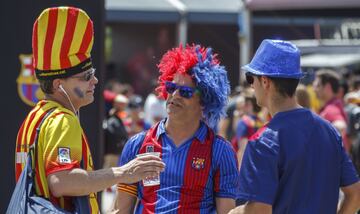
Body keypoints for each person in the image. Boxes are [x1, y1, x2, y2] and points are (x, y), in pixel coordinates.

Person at [14, 7, 165, 213]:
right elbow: (61, 182)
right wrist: (124, 172)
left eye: (92, 73)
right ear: (59, 84)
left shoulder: (35, 117)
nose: (94, 80)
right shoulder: (62, 120)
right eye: (85, 76)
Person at [229, 39, 360, 214]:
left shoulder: (263, 141)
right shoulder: (328, 131)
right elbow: (355, 194)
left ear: (266, 81)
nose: (251, 85)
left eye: (251, 78)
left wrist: (234, 212)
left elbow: (259, 210)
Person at [114, 44, 239, 213]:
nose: (174, 95)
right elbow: (121, 209)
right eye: (171, 88)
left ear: (204, 101)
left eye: (185, 92)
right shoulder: (137, 145)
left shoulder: (220, 151)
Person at [313, 69, 350, 152]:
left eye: (317, 85)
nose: (314, 89)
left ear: (327, 87)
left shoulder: (331, 109)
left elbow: (341, 126)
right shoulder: (335, 105)